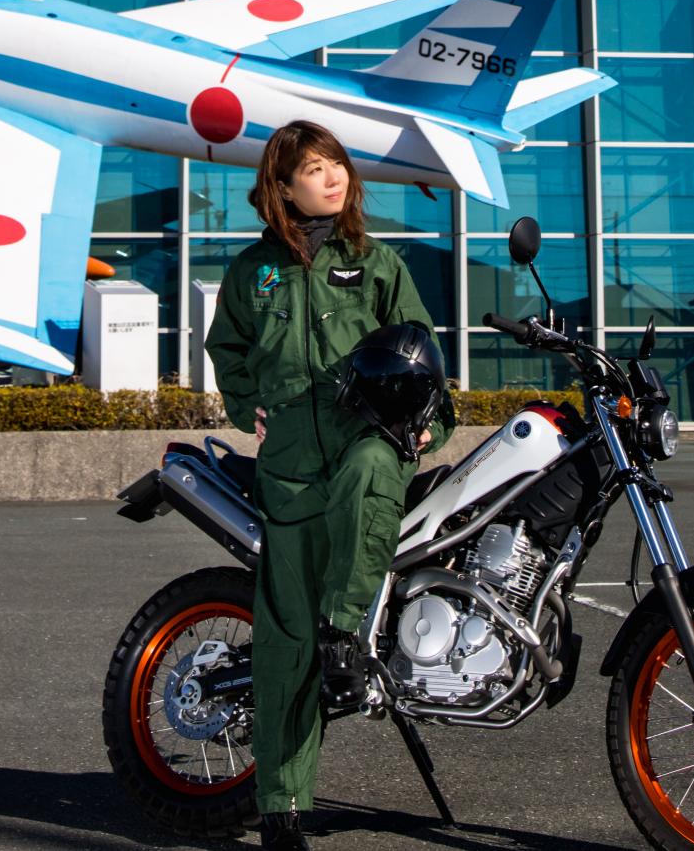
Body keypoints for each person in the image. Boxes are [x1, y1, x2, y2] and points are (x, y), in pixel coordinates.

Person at [206, 119, 456, 848]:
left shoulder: (375, 263)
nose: (331, 176)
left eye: (336, 164)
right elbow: (227, 348)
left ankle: (346, 633)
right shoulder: (252, 271)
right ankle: (283, 805)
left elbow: (422, 351)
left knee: (370, 471)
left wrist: (425, 426)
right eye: (312, 169)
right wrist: (248, 396)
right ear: (281, 188)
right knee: (285, 641)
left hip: (365, 441)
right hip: (287, 466)